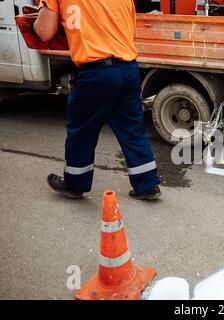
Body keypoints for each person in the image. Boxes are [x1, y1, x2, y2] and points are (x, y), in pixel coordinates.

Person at [34, 0, 161, 200]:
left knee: (82, 131)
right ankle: (147, 184)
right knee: (132, 129)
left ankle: (75, 184)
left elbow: (44, 32)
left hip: (96, 72)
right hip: (128, 69)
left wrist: (41, 10)